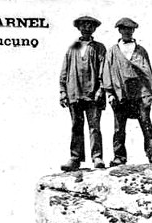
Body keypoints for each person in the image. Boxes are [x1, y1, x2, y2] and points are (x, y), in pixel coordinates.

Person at [102, 17, 152, 166]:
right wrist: (109, 93)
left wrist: (150, 93)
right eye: (124, 29)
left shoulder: (141, 50)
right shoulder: (112, 51)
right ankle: (119, 156)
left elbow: (147, 72)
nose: (127, 32)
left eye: (130, 29)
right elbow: (107, 72)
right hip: (120, 92)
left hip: (139, 92)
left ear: (133, 31)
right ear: (120, 31)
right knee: (119, 126)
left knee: (145, 122)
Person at [59, 16, 107, 172]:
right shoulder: (73, 47)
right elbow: (64, 71)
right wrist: (62, 92)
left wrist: (101, 89)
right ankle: (75, 158)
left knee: (95, 127)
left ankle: (97, 157)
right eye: (83, 25)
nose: (87, 28)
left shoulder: (99, 47)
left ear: (94, 28)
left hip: (93, 93)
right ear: (79, 28)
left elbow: (103, 71)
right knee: (76, 126)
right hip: (74, 92)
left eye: (90, 25)